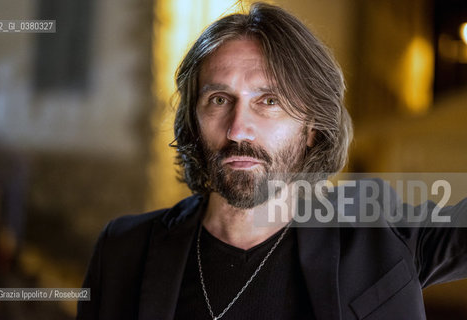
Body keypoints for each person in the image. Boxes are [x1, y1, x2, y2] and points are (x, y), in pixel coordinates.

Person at [77, 3, 467, 319]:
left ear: (312, 128)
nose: (238, 129)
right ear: (193, 123)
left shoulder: (381, 234)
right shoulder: (122, 250)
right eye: (218, 99)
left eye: (269, 101)